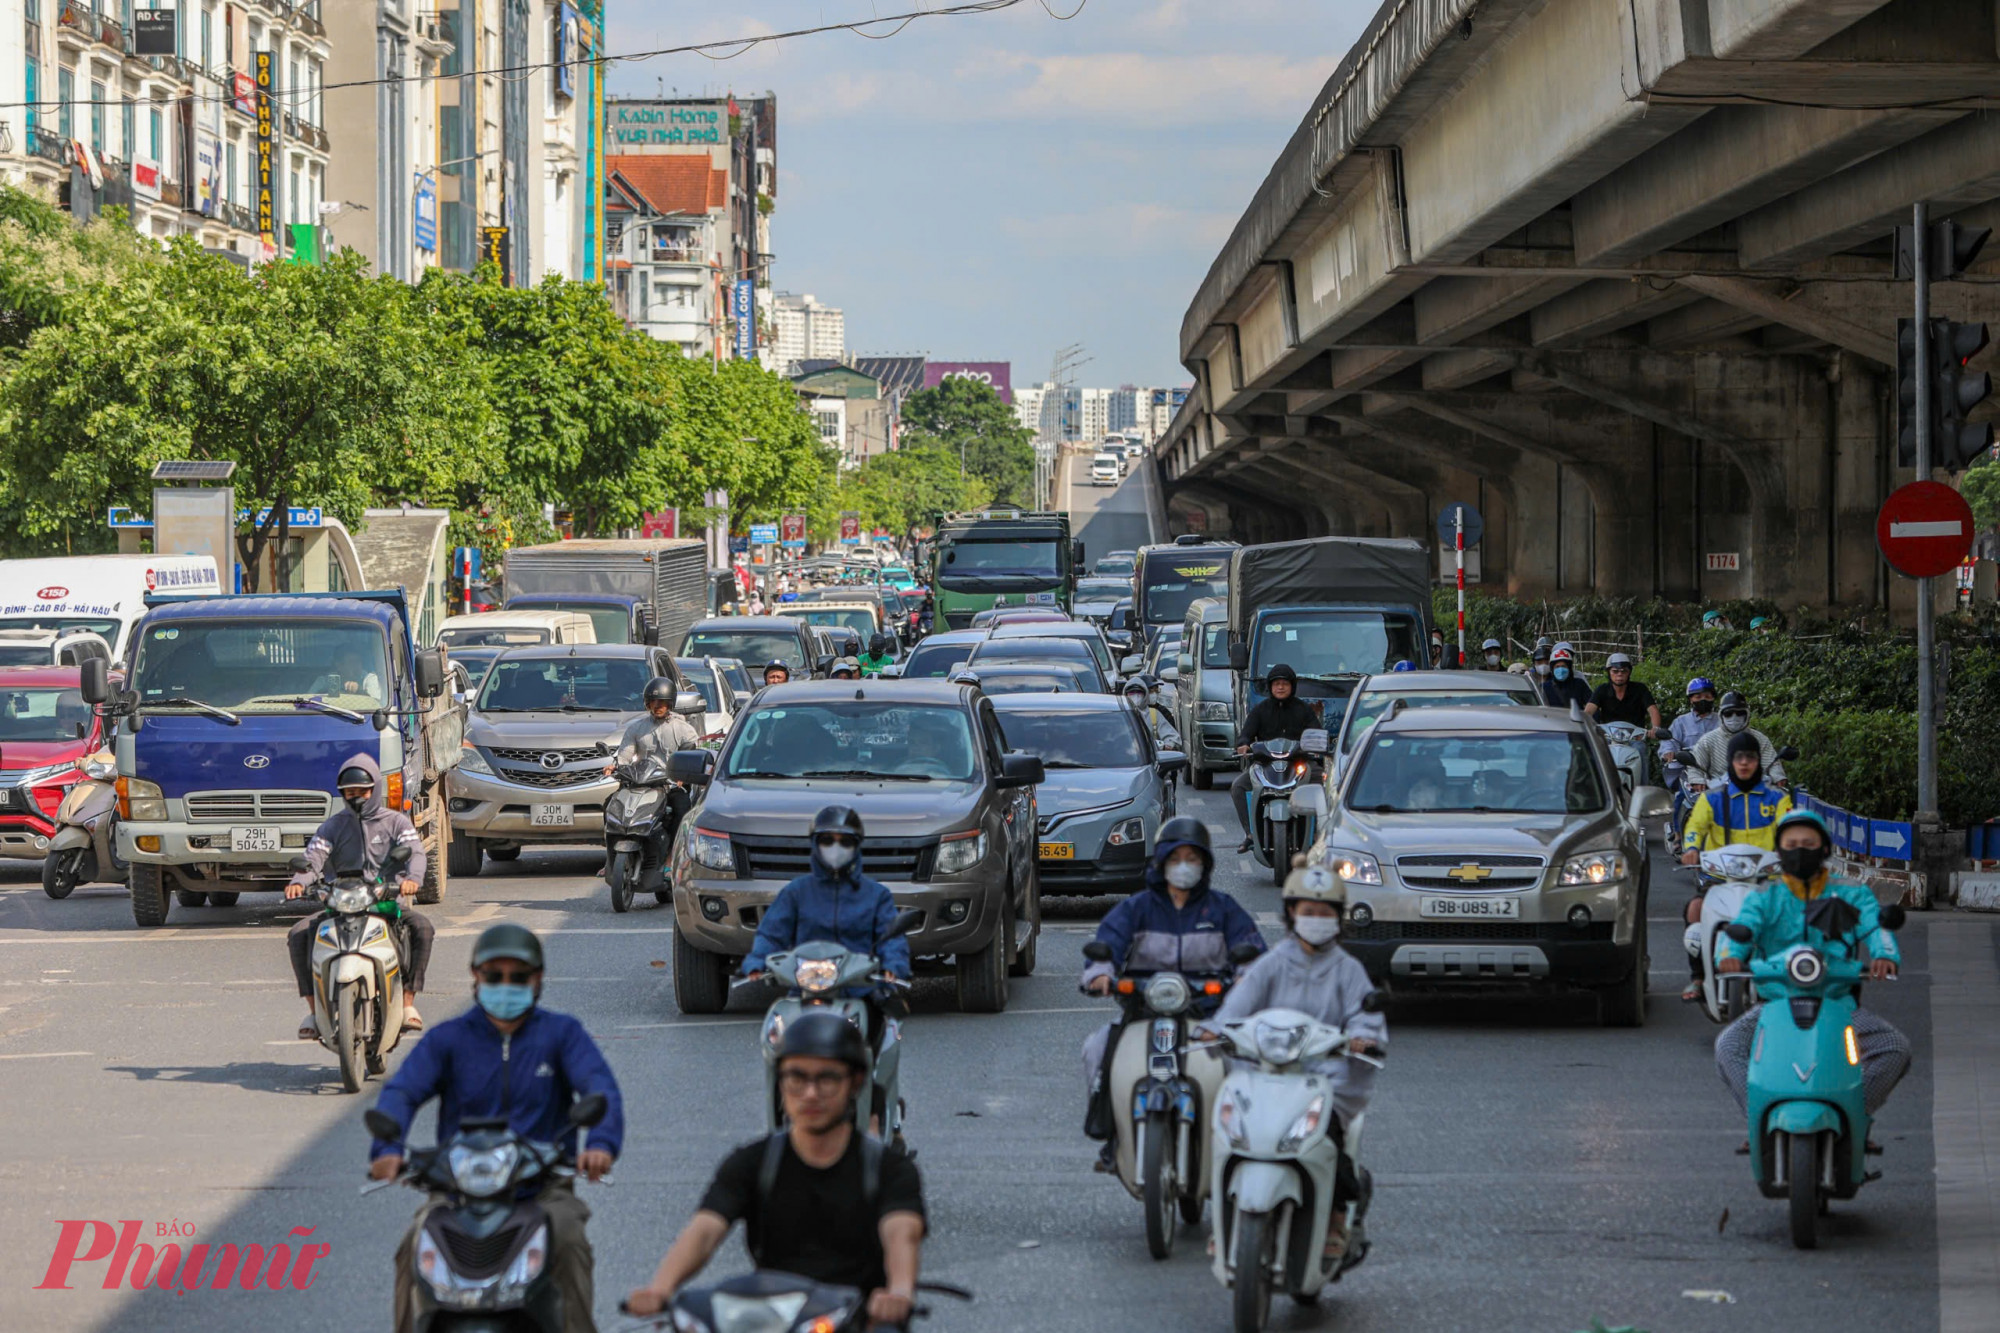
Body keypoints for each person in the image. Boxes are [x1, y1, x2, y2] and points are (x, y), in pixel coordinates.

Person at [372, 924, 624, 1333]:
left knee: (569, 1242)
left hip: (541, 1190)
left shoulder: (562, 1035)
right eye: (494, 975)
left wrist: (600, 1144)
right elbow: (402, 1092)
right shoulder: (449, 1038)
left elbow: (600, 1089)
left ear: (537, 979)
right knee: (413, 1247)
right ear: (476, 976)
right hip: (456, 1193)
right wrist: (387, 1148)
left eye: (518, 977)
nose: (506, 985)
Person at [624, 1011, 926, 1327]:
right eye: (796, 1078)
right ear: (780, 1082)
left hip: (862, 1317)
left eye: (826, 1078)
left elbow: (901, 1233)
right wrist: (660, 1288)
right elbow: (705, 1230)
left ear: (855, 1082)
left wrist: (899, 1292)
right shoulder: (753, 1162)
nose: (810, 1093)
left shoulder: (889, 1168)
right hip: (776, 1316)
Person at [1207, 861, 1385, 1264]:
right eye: (1308, 911)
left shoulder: (1349, 971)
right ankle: (1225, 1218)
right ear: (1291, 913)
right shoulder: (1270, 964)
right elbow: (1233, 1011)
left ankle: (1336, 1216)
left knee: (1328, 1138)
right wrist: (1214, 1031)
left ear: (1338, 917)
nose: (1316, 920)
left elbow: (1365, 1016)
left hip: (1324, 1080)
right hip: (1266, 1076)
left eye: (1324, 912)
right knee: (1231, 1134)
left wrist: (1363, 1038)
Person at [1081, 818, 1264, 1170]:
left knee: (1247, 1060)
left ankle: (1243, 1143)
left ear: (1205, 864)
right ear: (1162, 862)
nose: (1184, 866)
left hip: (1210, 1017)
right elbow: (1106, 945)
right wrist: (1100, 974)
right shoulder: (1137, 908)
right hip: (1142, 1013)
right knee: (1096, 1049)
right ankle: (1115, 1136)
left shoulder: (1224, 909)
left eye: (1192, 859)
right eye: (1176, 858)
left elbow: (1253, 954)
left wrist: (1246, 979)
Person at [1714, 811, 1908, 1128]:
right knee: (1728, 1046)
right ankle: (1757, 1117)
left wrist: (1884, 955)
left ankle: (1855, 1116)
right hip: (1773, 1004)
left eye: (1808, 844)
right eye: (1791, 845)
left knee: (1894, 1048)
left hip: (1838, 1003)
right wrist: (1730, 955)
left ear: (1825, 849)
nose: (1800, 851)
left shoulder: (1851, 892)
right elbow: (1741, 928)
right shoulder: (1764, 896)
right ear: (1779, 851)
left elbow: (1876, 927)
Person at [285, 756, 433, 1039]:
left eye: (362, 791)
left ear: (374, 789)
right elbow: (313, 857)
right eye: (350, 792)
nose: (356, 797)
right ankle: (315, 1011)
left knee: (422, 928)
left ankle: (407, 1003)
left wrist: (412, 879)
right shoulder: (332, 826)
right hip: (341, 902)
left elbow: (415, 852)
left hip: (384, 901)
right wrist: (299, 882)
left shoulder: (396, 822)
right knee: (299, 934)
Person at [1680, 731, 1793, 1000]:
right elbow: (1695, 827)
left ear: (1758, 762)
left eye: (1750, 758)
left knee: (1792, 916)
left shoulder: (1777, 798)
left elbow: (1790, 827)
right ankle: (1698, 978)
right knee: (1695, 909)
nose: (1744, 763)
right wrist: (1692, 848)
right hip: (1720, 879)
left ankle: (1789, 974)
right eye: (1739, 757)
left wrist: (1791, 850)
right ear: (1730, 761)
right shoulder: (1712, 798)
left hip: (1766, 881)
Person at [743, 806, 910, 983]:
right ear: (815, 844)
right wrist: (757, 962)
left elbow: (891, 937)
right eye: (827, 841)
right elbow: (771, 934)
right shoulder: (796, 892)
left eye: (845, 842)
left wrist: (893, 965)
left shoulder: (877, 895)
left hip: (860, 987)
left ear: (856, 846)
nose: (836, 848)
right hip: (806, 985)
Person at [1230, 663, 1317, 853]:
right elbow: (1246, 734)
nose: (1280, 687)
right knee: (1238, 786)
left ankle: (1320, 835)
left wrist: (1317, 746)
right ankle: (1251, 834)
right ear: (1270, 686)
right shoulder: (1260, 709)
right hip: (1265, 765)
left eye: (1285, 684)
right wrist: (1243, 744)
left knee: (1324, 786)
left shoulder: (1304, 709)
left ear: (1292, 686)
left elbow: (1316, 732)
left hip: (1298, 765)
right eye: (1276, 684)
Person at [1685, 691, 1787, 787]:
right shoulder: (1707, 741)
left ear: (1747, 715)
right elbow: (1696, 765)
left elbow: (1772, 763)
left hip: (1756, 790)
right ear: (1721, 716)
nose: (1734, 717)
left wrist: (1778, 777)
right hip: (1719, 791)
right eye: (1728, 714)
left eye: (1740, 713)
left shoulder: (1760, 739)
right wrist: (1697, 781)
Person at [1584, 653, 1664, 730]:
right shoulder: (1602, 689)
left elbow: (1653, 710)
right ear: (1609, 673)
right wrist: (1586, 727)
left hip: (1636, 736)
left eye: (1624, 671)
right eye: (1615, 671)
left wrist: (1655, 728)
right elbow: (1588, 712)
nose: (1619, 674)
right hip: (1608, 736)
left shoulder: (1640, 689)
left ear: (1629, 673)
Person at [310, 646, 383, 702]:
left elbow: (376, 704)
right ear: (339, 666)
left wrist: (359, 691)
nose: (357, 665)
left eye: (358, 661)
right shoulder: (324, 681)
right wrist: (326, 691)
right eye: (352, 662)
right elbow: (308, 701)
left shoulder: (369, 678)